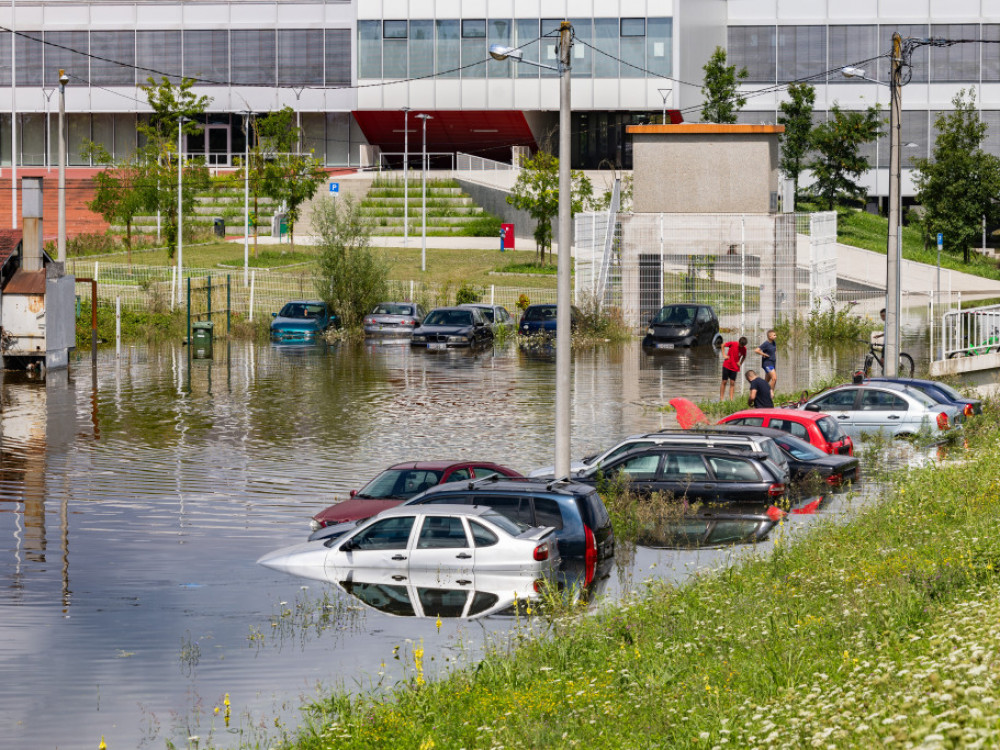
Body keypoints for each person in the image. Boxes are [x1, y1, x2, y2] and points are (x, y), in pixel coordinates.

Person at [719, 336, 748, 401]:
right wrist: (724, 355)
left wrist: (740, 363)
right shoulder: (733, 343)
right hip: (727, 365)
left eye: (742, 345)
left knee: (732, 383)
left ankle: (731, 400)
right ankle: (721, 399)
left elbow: (744, 356)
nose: (741, 346)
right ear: (739, 342)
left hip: (735, 368)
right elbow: (722, 345)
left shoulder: (744, 349)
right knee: (724, 381)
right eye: (740, 345)